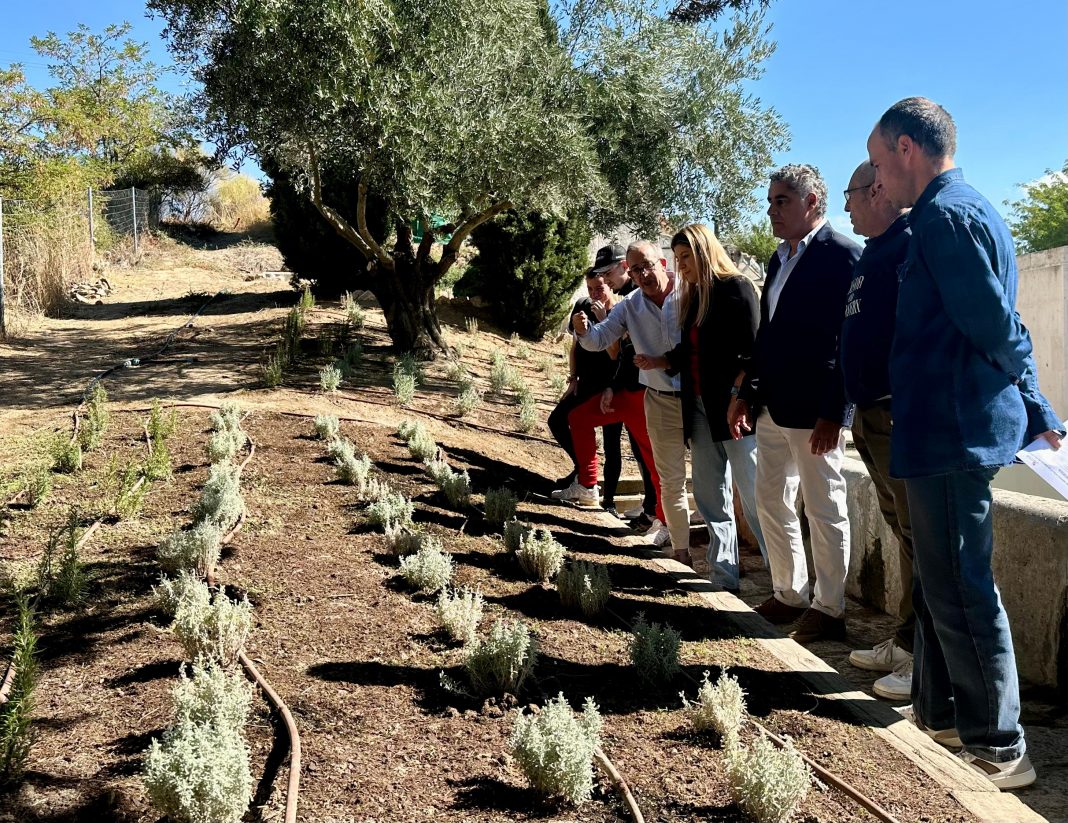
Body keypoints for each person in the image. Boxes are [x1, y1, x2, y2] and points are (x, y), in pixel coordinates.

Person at [867, 96, 1063, 789]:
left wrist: (1037, 402)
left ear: (906, 150)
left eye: (877, 162)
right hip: (945, 428)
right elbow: (997, 322)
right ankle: (948, 717)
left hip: (951, 430)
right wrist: (1036, 403)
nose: (875, 178)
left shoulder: (946, 216)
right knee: (942, 586)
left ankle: (1001, 746)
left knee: (961, 587)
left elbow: (996, 327)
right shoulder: (963, 209)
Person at [728, 164, 860, 644]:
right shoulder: (778, 259)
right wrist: (746, 394)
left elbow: (852, 340)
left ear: (812, 202)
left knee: (824, 508)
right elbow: (770, 334)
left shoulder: (843, 255)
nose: (771, 212)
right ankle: (789, 593)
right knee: (769, 499)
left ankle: (831, 609)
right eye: (770, 202)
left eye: (781, 201)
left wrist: (837, 411)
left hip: (817, 412)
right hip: (773, 406)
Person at [633, 224, 768, 591]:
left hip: (734, 408)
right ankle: (724, 576)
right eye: (676, 259)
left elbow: (756, 353)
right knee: (710, 496)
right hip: (698, 407)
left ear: (704, 251)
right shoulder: (694, 296)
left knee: (756, 494)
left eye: (685, 257)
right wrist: (658, 361)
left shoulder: (738, 288)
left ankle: (786, 582)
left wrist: (742, 399)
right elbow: (691, 353)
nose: (681, 266)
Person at [838, 161, 916, 701]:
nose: (847, 207)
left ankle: (921, 660)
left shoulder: (909, 244)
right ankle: (908, 641)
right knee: (904, 536)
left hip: (895, 412)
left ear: (877, 191)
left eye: (851, 195)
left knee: (921, 538)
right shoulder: (873, 252)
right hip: (869, 413)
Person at [575, 240, 690, 560]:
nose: (642, 274)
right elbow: (601, 341)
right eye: (636, 269)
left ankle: (725, 559)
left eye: (647, 266)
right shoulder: (629, 306)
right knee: (665, 472)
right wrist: (583, 331)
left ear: (663, 263)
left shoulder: (690, 293)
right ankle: (677, 544)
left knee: (711, 480)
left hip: (699, 398)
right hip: (658, 397)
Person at [548, 250, 624, 503]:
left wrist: (603, 321)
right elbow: (575, 346)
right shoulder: (582, 306)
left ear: (609, 285)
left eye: (599, 288)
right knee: (558, 420)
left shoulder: (620, 311)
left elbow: (615, 355)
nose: (594, 294)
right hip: (586, 381)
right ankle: (582, 471)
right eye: (590, 288)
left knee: (612, 443)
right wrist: (573, 380)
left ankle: (610, 500)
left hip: (610, 386)